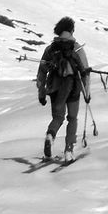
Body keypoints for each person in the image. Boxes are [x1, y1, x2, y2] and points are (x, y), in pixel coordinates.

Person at [36, 16, 90, 161]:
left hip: (55, 87)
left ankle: (50, 135)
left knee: (58, 117)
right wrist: (87, 92)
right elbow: (84, 71)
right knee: (72, 118)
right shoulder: (76, 48)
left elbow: (42, 71)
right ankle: (68, 151)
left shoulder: (51, 49)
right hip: (73, 87)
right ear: (72, 30)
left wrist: (41, 92)